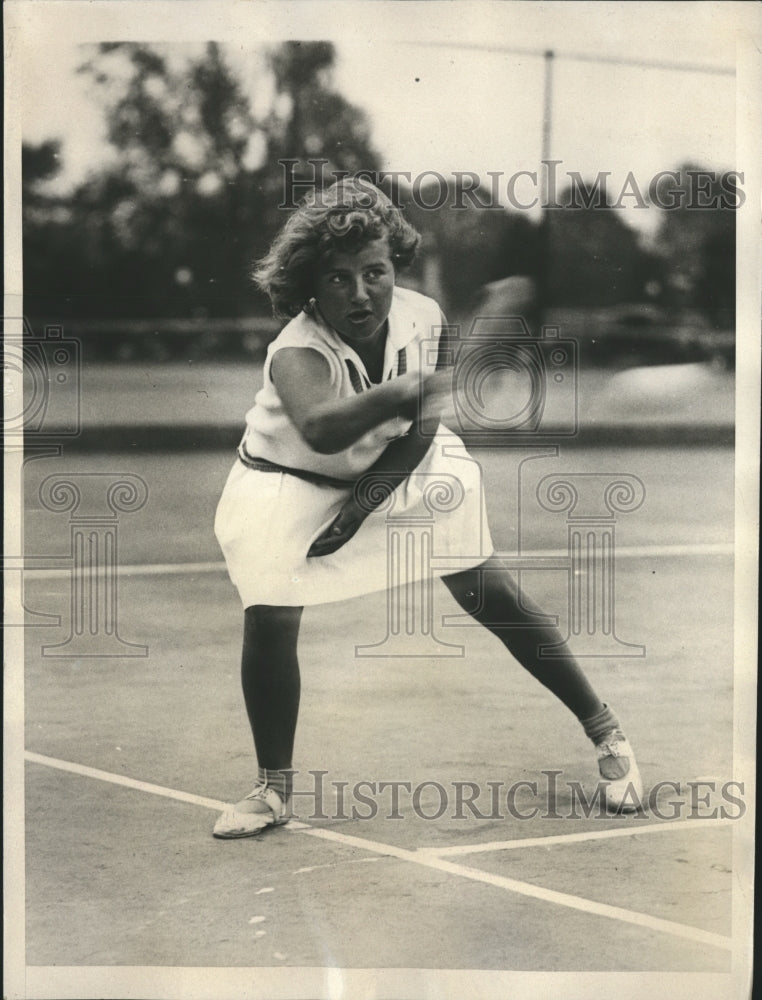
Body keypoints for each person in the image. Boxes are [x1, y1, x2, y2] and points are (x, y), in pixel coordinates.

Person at [212, 177, 642, 838]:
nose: (360, 294)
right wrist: (406, 391)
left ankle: (608, 736)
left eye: (374, 272)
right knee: (271, 612)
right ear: (308, 286)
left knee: (487, 591)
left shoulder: (423, 318)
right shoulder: (295, 350)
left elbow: (418, 432)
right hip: (285, 480)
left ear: (395, 267)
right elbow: (324, 429)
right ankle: (273, 790)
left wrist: (363, 506)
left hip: (396, 467)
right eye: (338, 279)